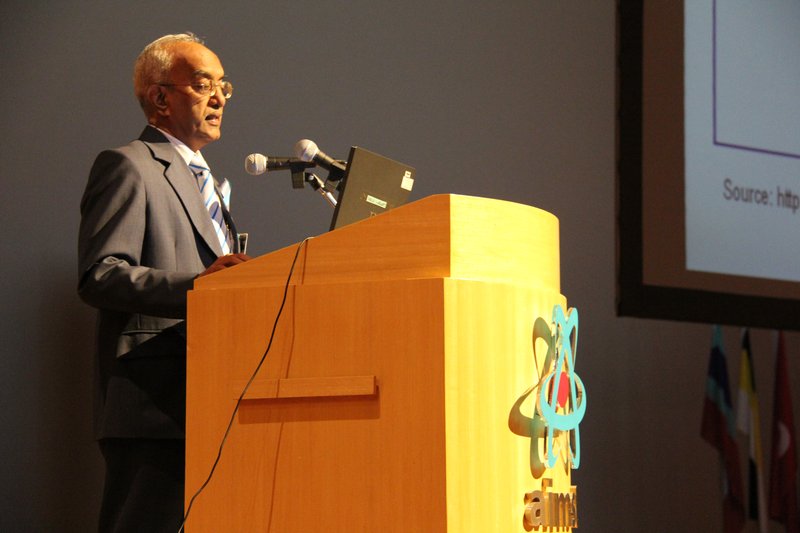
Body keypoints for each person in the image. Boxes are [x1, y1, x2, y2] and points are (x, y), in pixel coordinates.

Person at [77, 32, 250, 532]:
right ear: (159, 97)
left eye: (223, 87)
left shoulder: (208, 183)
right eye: (202, 85)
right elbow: (100, 274)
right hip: (154, 404)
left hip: (211, 397)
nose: (219, 99)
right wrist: (198, 287)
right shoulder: (129, 165)